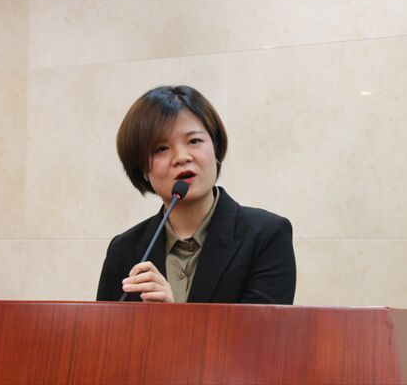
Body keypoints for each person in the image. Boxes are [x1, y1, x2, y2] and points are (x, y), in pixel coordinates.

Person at [97, 85, 296, 304]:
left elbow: (261, 327)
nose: (182, 157)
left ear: (216, 149)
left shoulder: (266, 236)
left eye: (194, 141)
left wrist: (171, 317)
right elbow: (104, 327)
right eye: (161, 149)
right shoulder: (123, 250)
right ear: (142, 169)